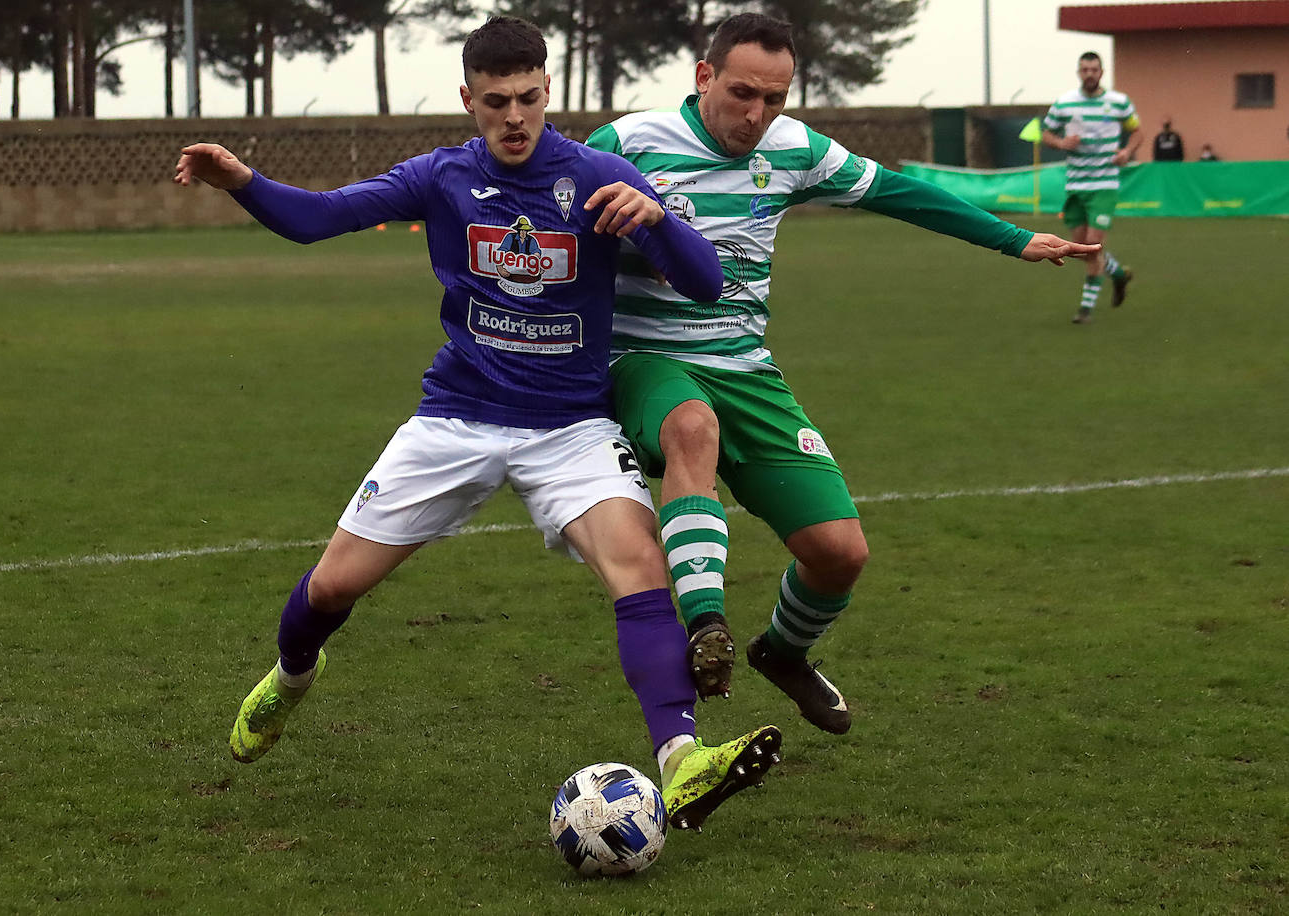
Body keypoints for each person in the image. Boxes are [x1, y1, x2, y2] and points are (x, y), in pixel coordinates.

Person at [174, 15, 780, 832]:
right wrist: (241, 179)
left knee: (640, 566)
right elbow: (319, 218)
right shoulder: (441, 176)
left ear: (548, 91)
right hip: (458, 415)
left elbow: (706, 284)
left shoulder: (602, 176)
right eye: (496, 102)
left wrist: (659, 218)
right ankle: (289, 678)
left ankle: (682, 762)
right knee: (331, 588)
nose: (515, 117)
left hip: (570, 425)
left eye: (528, 98)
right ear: (469, 99)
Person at [586, 12, 1099, 733]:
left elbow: (901, 193)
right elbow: (553, 227)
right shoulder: (629, 141)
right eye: (741, 93)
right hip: (646, 359)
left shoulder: (796, 149)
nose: (756, 114)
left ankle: (783, 652)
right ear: (703, 77)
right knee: (691, 428)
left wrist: (1016, 240)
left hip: (745, 367)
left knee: (839, 554)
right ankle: (706, 629)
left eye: (774, 98)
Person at [1041, 51, 1143, 324]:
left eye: (1094, 69)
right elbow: (1046, 133)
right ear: (1078, 72)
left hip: (1104, 184)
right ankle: (1118, 274)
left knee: (1092, 246)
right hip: (1076, 185)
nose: (1089, 74)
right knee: (1079, 249)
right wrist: (1061, 144)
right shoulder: (1064, 103)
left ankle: (1085, 310)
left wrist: (1127, 151)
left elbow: (1137, 132)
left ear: (1102, 72)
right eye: (1084, 69)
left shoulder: (1119, 103)